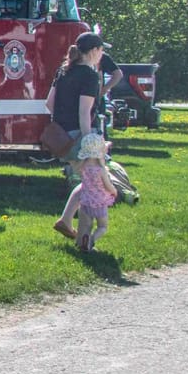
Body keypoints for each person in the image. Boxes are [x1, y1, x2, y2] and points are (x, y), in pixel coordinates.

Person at [49, 32, 108, 241]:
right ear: (93, 51)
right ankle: (84, 241)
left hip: (60, 136)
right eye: (101, 50)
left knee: (87, 181)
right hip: (78, 135)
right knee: (93, 184)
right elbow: (84, 113)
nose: (102, 54)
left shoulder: (64, 71)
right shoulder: (90, 76)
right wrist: (89, 143)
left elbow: (49, 103)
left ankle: (65, 220)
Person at [69, 132, 118, 253]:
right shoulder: (101, 170)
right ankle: (91, 240)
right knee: (102, 226)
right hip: (99, 203)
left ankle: (83, 241)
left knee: (86, 225)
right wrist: (114, 191)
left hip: (85, 201)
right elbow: (108, 186)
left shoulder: (83, 166)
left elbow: (75, 170)